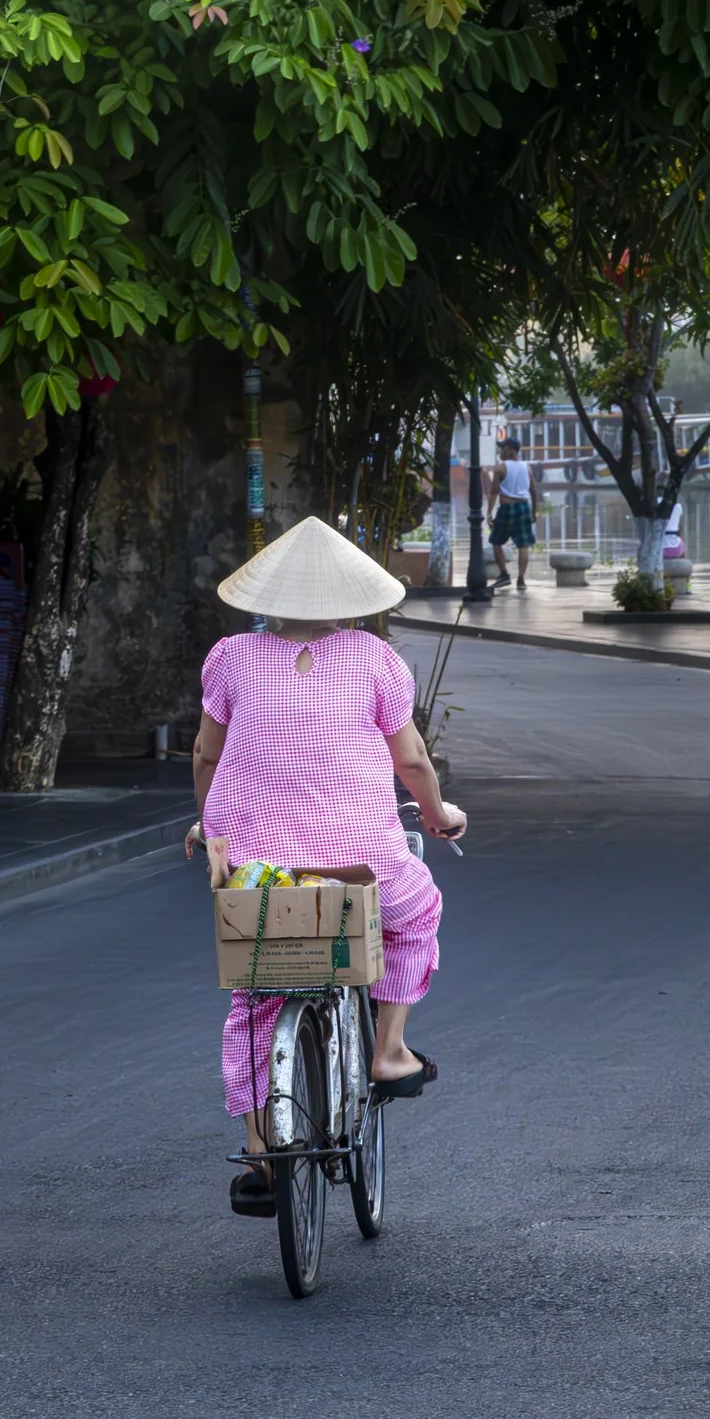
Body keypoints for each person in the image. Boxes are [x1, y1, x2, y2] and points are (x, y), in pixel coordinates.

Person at [187, 516, 466, 1217]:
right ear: (349, 598)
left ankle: (259, 1152)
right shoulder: (376, 659)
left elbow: (206, 755)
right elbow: (411, 760)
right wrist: (435, 815)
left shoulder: (230, 656)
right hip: (358, 868)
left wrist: (212, 825)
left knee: (254, 995)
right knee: (419, 911)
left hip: (260, 872)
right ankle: (391, 1050)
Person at [486, 438, 536, 589]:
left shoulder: (500, 468)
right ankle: (521, 580)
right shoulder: (527, 467)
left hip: (507, 508)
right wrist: (533, 512)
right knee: (523, 544)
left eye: (502, 448)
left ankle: (504, 575)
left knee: (496, 541)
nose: (500, 452)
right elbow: (533, 491)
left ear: (510, 450)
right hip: (524, 508)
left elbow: (494, 492)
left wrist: (489, 513)